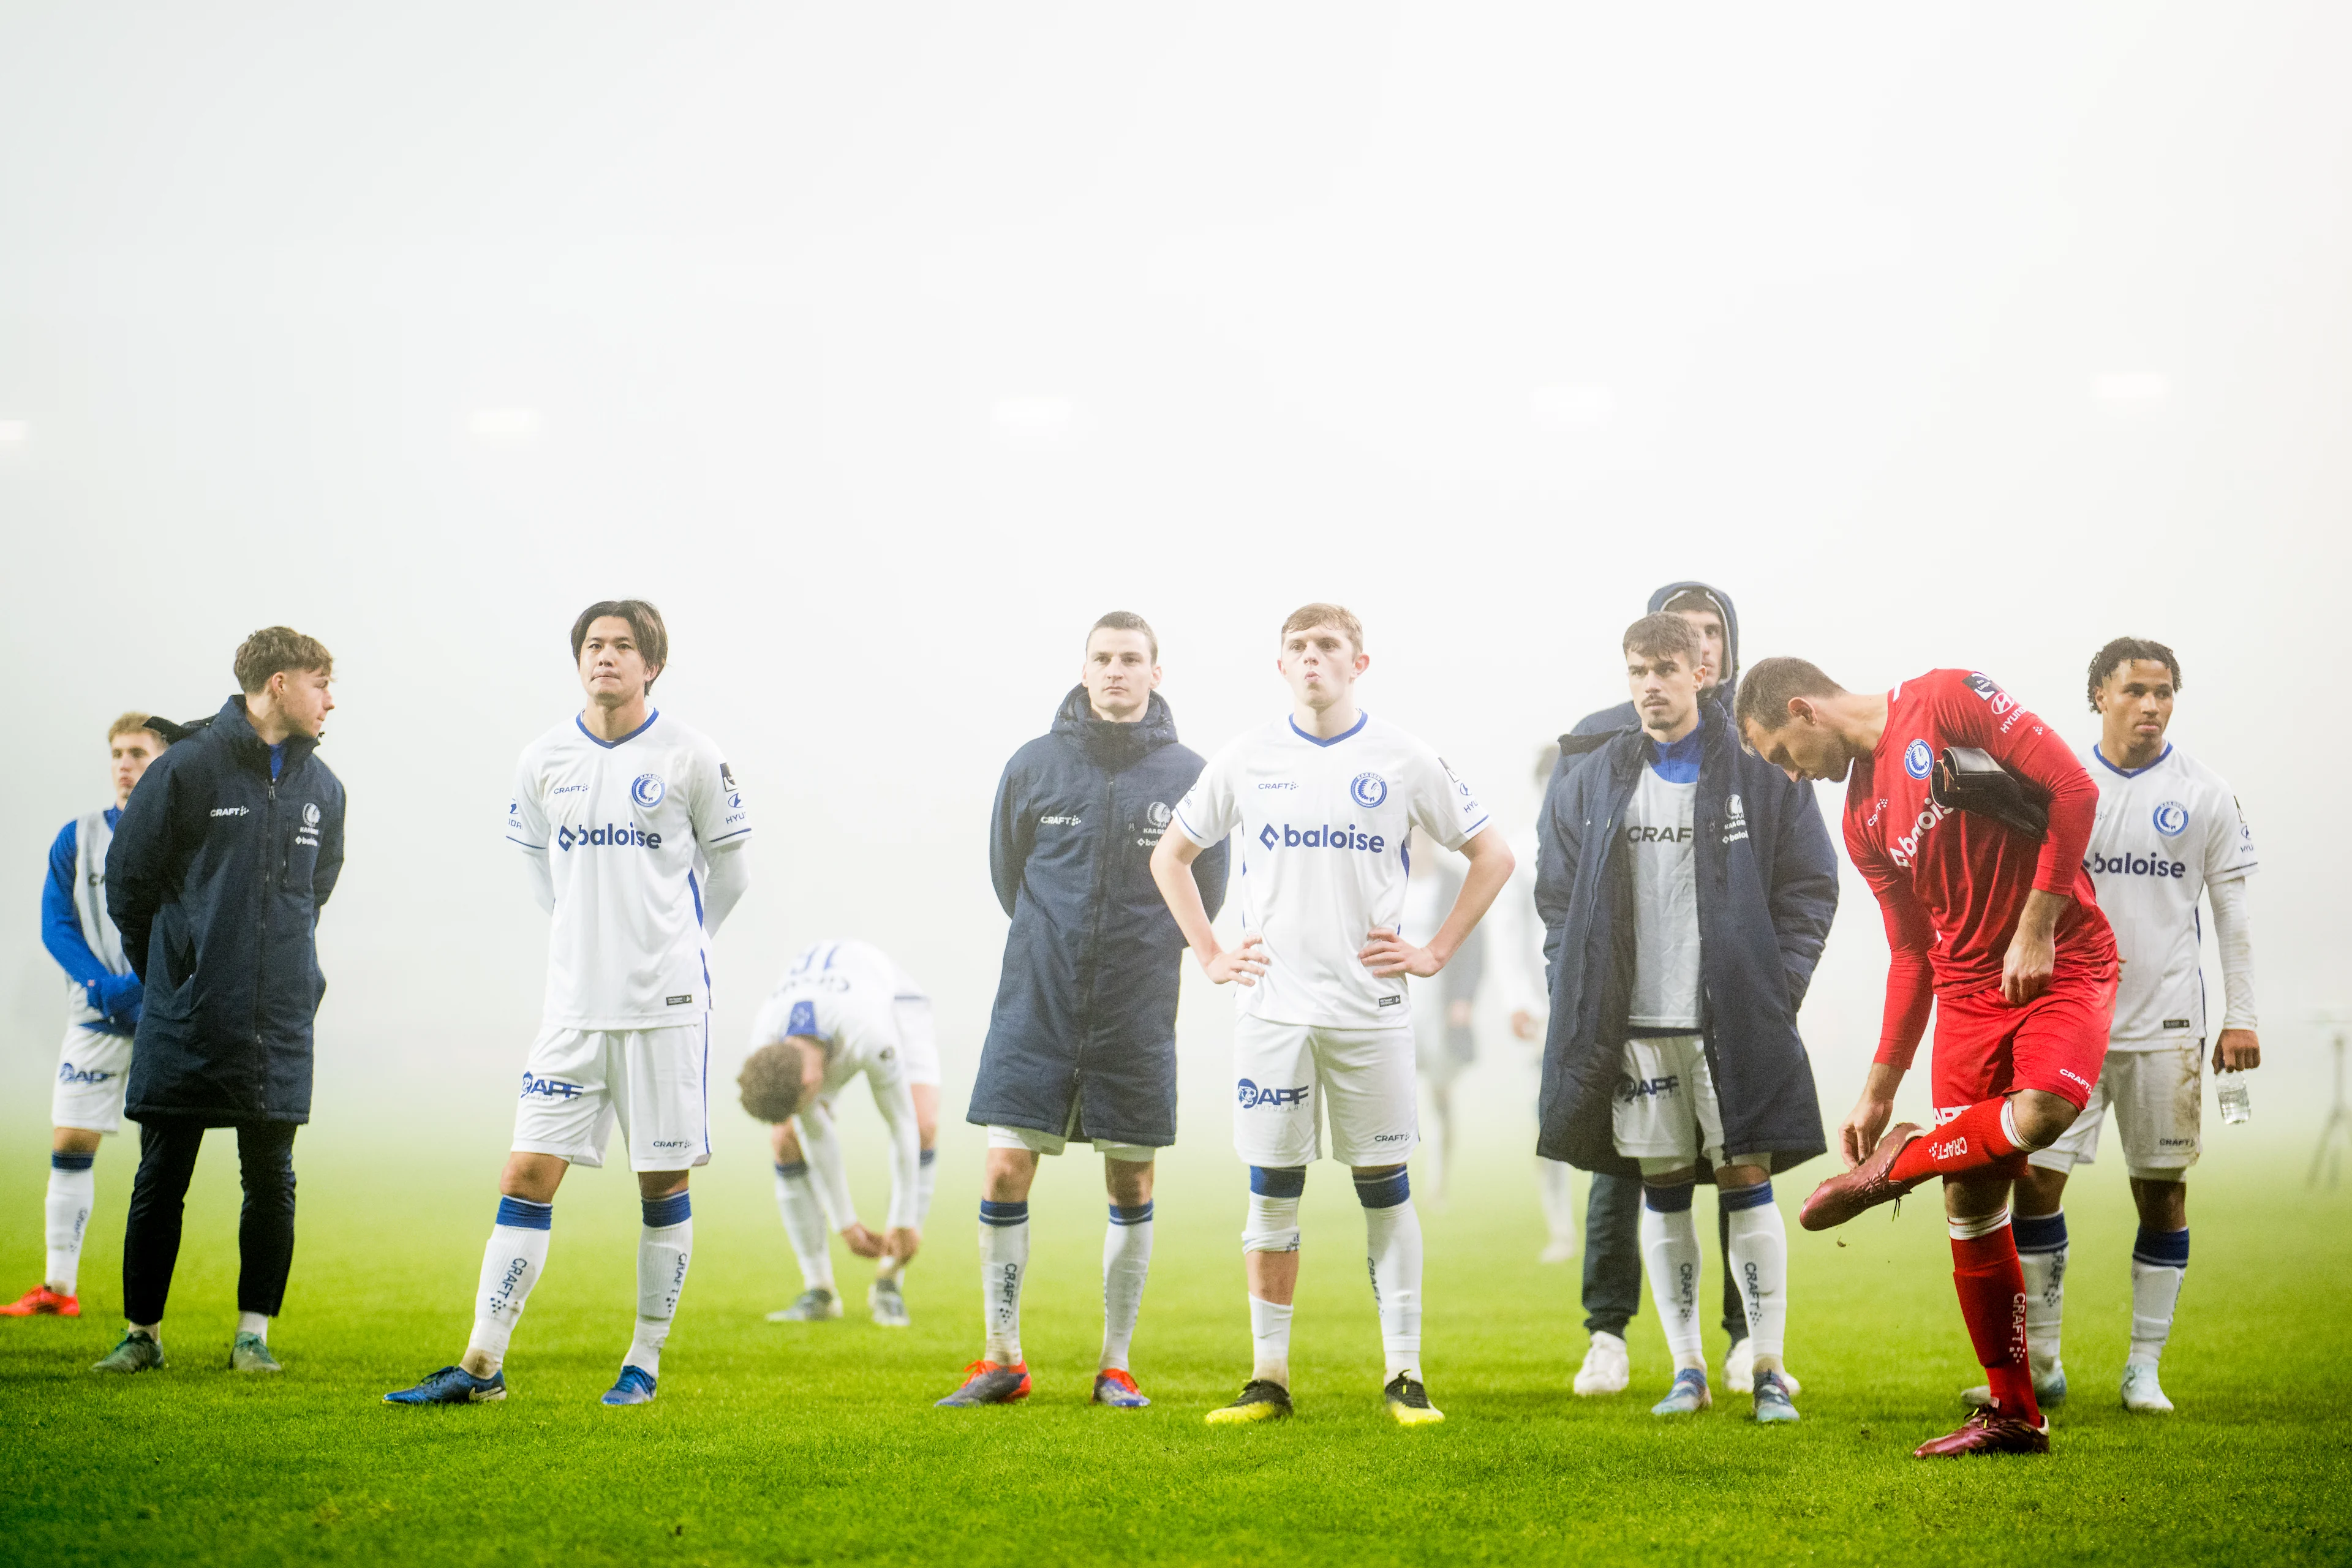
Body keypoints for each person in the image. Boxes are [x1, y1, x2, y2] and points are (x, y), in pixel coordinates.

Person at [1738, 657, 2117, 1457]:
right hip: (1967, 1000)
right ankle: (2014, 1415)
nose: (1791, 775)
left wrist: (2039, 922)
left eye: (1780, 754)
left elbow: (2075, 792)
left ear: (1802, 710)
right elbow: (1912, 952)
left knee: (2047, 1110)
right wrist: (1879, 1089)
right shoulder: (1861, 818)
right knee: (1973, 1210)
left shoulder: (1947, 698)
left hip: (2061, 959)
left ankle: (1902, 1164)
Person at [1152, 602, 1512, 1428]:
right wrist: (1210, 954)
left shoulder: (1405, 758)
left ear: (1360, 663)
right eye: (1297, 648)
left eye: (1327, 646)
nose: (1312, 658)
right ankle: (1268, 1379)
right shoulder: (1248, 758)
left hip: (1369, 1013)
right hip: (1273, 1013)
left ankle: (1405, 1377)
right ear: (1280, 666)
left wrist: (1434, 952)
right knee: (1271, 1191)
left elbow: (1491, 854)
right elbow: (1169, 855)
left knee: (1383, 1187)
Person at [386, 600, 750, 1408]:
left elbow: (731, 874)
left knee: (660, 1183)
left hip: (665, 1009)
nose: (607, 658)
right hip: (572, 1011)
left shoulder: (692, 754)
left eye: (624, 647)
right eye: (594, 645)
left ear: (652, 665)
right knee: (525, 1171)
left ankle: (644, 1362)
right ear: (578, 660)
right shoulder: (544, 757)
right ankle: (481, 1366)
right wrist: (587, 944)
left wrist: (685, 950)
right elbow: (537, 871)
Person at [1536, 615, 1835, 1423]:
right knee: (1662, 1187)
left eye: (1667, 669)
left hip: (1731, 1023)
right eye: (1638, 671)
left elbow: (1811, 888)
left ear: (1701, 672)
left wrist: (1778, 990)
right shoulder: (1597, 774)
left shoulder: (1756, 767)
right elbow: (1558, 895)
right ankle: (1688, 1370)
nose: (1651, 686)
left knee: (1746, 1178)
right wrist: (1573, 979)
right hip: (1636, 1027)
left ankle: (1768, 1366)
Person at [1958, 638, 2256, 1416]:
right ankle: (2047, 1362)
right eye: (2136, 691)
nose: (2151, 706)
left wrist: (2242, 1016)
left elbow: (2232, 915)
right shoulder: (2059, 785)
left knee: (2161, 1193)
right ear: (2099, 694)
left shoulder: (2206, 794)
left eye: (2164, 693)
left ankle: (2144, 1369)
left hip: (2166, 1025)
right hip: (2065, 1022)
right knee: (2035, 1187)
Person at [937, 611, 1226, 1409]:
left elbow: (1208, 890)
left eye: (1132, 659)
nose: (1116, 671)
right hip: (1038, 998)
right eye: (1103, 658)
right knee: (1003, 1165)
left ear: (1155, 673)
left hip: (1136, 1005)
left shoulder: (1192, 775)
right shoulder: (1034, 765)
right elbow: (1009, 877)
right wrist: (1053, 937)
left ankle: (1116, 1366)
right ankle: (1002, 1358)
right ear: (1084, 667)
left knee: (1131, 1179)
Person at [97, 630, 345, 1375]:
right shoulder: (185, 769)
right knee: (161, 1175)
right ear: (276, 686)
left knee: (271, 1178)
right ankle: (142, 1334)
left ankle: (252, 1336)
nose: (331, 699)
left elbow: (315, 892)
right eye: (320, 683)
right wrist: (173, 972)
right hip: (186, 1014)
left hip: (277, 1022)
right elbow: (128, 885)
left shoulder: (324, 789)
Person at [2, 715, 173, 1320]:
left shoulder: (183, 835)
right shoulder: (76, 836)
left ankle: (151, 1319)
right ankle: (57, 1286)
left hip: (164, 1017)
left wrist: (143, 984)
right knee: (71, 1140)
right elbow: (57, 924)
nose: (125, 764)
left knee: (166, 1160)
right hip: (97, 1012)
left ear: (165, 762)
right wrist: (105, 985)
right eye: (118, 753)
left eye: (139, 753)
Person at [744, 940, 938, 1328]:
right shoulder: (765, 1042)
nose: (808, 1113)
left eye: (805, 1102)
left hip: (894, 1000)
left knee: (922, 1125)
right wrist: (846, 1223)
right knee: (784, 1139)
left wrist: (902, 1219)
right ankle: (819, 1290)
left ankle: (890, 1280)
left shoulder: (869, 1032)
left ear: (810, 1079)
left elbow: (899, 1124)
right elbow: (815, 1132)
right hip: (833, 1002)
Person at [1494, 742, 1580, 1264]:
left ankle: (1625, 1229)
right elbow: (1506, 933)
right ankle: (1561, 1231)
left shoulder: (1602, 839)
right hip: (1545, 1010)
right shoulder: (1522, 850)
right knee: (1545, 1125)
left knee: (1624, 1122)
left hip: (1600, 1006)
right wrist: (1516, 1000)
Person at [1404, 830, 1485, 1206]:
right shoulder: (1389, 880)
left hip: (1438, 1005)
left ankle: (1438, 1184)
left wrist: (1463, 1000)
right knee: (1396, 1095)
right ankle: (1394, 1179)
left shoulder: (1454, 882)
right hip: (1395, 1003)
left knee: (1440, 1095)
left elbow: (1474, 944)